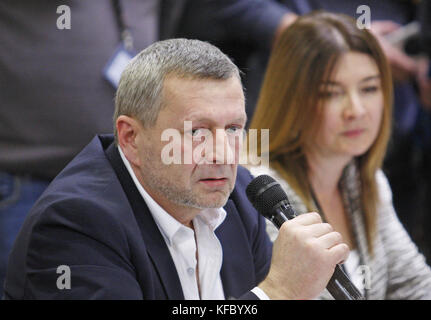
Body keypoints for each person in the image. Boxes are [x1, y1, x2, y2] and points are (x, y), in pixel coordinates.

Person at [3, 38, 349, 300]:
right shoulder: (75, 224)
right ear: (131, 137)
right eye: (196, 131)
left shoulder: (241, 195)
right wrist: (278, 292)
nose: (222, 154)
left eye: (233, 129)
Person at [248, 12, 431, 300]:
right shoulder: (259, 191)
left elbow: (413, 285)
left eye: (369, 88)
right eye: (331, 93)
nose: (356, 110)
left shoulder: (362, 178)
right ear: (291, 99)